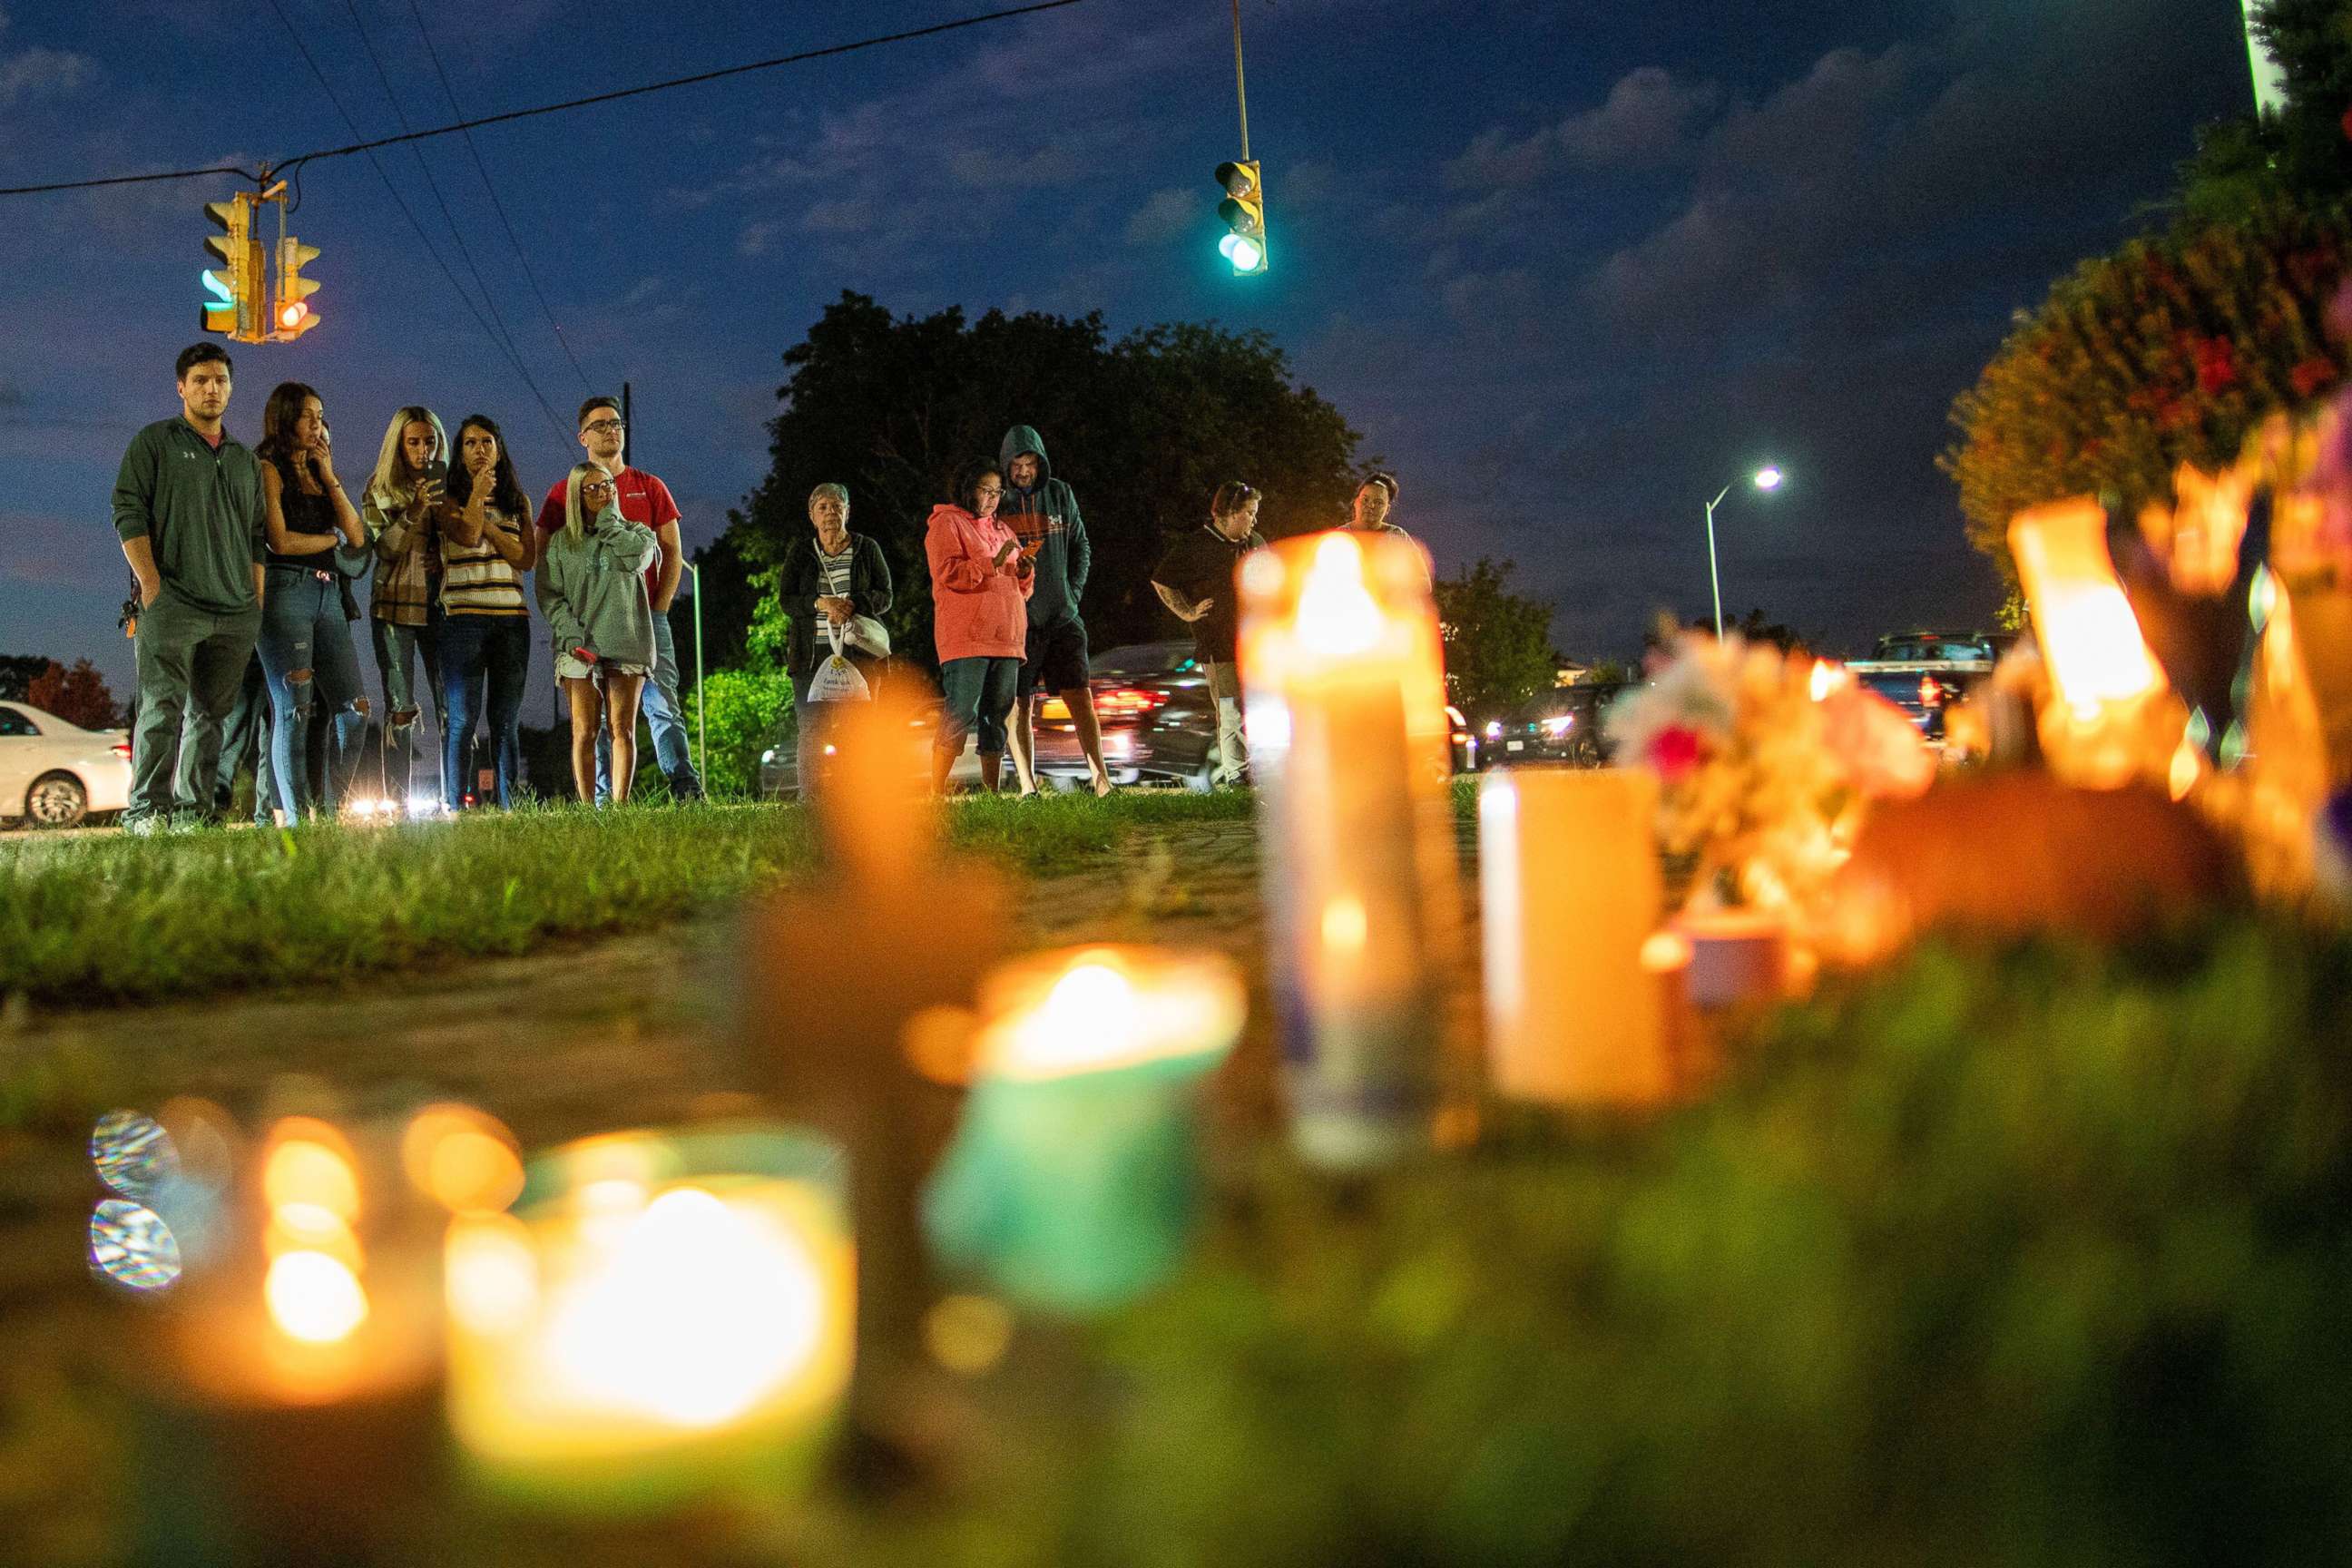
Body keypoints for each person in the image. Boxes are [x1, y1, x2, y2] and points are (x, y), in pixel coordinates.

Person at [112, 344, 267, 831]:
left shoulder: (244, 459)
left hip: (234, 611)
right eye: (200, 380)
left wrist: (255, 601)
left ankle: (193, 813)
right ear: (181, 387)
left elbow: (257, 537)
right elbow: (127, 511)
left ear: (231, 387)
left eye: (220, 379)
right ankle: (146, 812)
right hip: (172, 603)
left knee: (211, 717)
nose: (211, 388)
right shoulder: (155, 442)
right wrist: (151, 586)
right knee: (161, 710)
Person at [534, 396, 703, 802]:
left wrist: (658, 611)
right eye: (602, 424)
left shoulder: (649, 486)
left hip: (642, 620)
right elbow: (545, 559)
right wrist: (567, 622)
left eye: (617, 423)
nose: (612, 429)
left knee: (661, 703)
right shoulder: (563, 492)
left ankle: (684, 785)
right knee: (593, 721)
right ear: (583, 437)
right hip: (586, 622)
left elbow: (671, 554)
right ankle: (605, 796)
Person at [251, 383, 369, 820]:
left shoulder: (321, 473)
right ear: (285, 419)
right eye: (307, 415)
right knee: (295, 708)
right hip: (286, 592)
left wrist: (329, 472)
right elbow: (278, 541)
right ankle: (300, 820)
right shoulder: (268, 467)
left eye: (321, 414)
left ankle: (334, 811)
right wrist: (327, 540)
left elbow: (356, 538)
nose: (317, 422)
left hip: (328, 595)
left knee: (355, 710)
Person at [996, 425, 1110, 797]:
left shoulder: (1061, 493)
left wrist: (1072, 594)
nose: (1024, 472)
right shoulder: (998, 502)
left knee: (1080, 696)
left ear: (1040, 462)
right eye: (1017, 465)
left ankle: (1101, 779)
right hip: (1019, 623)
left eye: (1030, 463)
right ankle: (1029, 788)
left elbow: (1082, 547)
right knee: (1020, 705)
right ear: (1006, 466)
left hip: (1063, 617)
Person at [537, 463, 658, 805]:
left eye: (606, 486)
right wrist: (571, 634)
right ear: (576, 495)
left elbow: (638, 560)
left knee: (623, 730)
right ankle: (588, 807)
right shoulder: (561, 543)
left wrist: (609, 522)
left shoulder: (638, 533)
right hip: (578, 646)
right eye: (592, 489)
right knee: (584, 731)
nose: (602, 493)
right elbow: (549, 594)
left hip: (626, 642)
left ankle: (620, 806)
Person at [437, 415, 537, 809]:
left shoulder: (518, 501)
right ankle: (453, 804)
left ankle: (511, 808)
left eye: (487, 442)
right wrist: (476, 495)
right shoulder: (447, 499)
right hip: (462, 618)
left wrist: (491, 530)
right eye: (470, 443)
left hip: (511, 620)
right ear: (459, 453)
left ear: (499, 449)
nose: (480, 450)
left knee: (506, 722)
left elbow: (526, 557)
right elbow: (463, 534)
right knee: (462, 719)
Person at [777, 482, 892, 802]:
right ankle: (810, 800)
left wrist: (854, 603)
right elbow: (786, 601)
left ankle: (862, 800)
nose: (830, 513)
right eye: (823, 507)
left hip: (860, 654)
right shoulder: (801, 552)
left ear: (848, 511)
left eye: (836, 506)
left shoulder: (867, 548)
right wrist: (820, 604)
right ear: (812, 516)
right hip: (811, 657)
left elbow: (885, 596)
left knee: (861, 729)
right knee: (812, 730)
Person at [926, 458, 1033, 795]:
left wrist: (1025, 571)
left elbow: (1023, 590)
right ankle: (935, 791)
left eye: (997, 492)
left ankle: (992, 793)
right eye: (984, 490)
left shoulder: (1004, 530)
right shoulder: (947, 523)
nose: (991, 498)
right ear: (967, 488)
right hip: (967, 637)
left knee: (997, 715)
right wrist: (993, 562)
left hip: (1007, 636)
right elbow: (949, 574)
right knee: (960, 711)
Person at [1152, 481, 1267, 787]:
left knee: (1258, 709)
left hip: (1256, 646)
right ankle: (1237, 775)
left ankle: (1262, 770)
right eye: (1249, 513)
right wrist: (1187, 611)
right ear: (1227, 513)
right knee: (1231, 711)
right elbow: (1162, 581)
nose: (1254, 520)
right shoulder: (1196, 546)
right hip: (1219, 645)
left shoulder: (1254, 542)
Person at [363, 406, 448, 806]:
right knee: (400, 706)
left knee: (451, 705)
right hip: (394, 604)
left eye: (429, 442)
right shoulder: (378, 488)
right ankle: (397, 801)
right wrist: (414, 511)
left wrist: (441, 552)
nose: (422, 451)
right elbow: (383, 548)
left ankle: (455, 794)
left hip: (442, 603)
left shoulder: (451, 488)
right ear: (398, 444)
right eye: (413, 442)